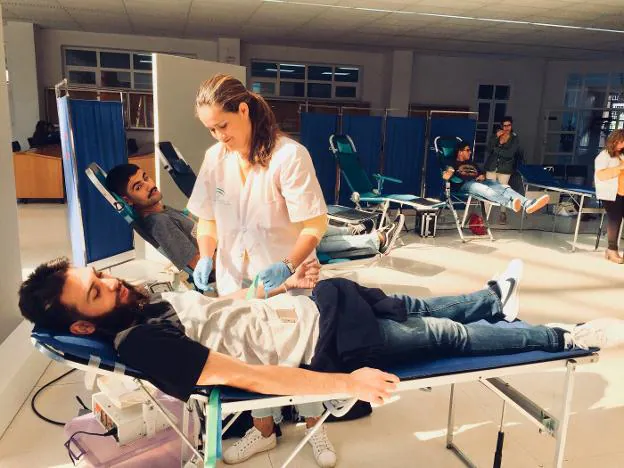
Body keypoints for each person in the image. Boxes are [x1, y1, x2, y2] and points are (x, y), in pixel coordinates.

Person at [19, 258, 624, 465]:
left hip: (311, 313)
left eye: (98, 274)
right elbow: (249, 376)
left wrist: (282, 292)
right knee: (445, 336)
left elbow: (213, 310)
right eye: (97, 292)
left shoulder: (143, 308)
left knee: (405, 301)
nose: (112, 285)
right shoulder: (142, 344)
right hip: (324, 347)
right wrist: (346, 383)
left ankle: (493, 298)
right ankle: (565, 336)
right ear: (81, 324)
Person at [104, 163, 405, 270]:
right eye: (139, 186)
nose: (150, 185)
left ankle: (357, 233)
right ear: (129, 199)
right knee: (298, 245)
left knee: (290, 224)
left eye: (145, 177)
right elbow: (197, 262)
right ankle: (372, 240)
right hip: (234, 255)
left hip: (234, 238)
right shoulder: (158, 222)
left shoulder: (162, 209)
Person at [443, 142, 549, 216]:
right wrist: (449, 172)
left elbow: (481, 173)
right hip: (465, 185)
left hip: (480, 181)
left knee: (503, 187)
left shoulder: (471, 163)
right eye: (467, 150)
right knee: (487, 190)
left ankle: (527, 204)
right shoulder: (451, 162)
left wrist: (482, 176)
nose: (470, 152)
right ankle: (509, 203)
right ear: (460, 152)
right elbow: (446, 175)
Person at [484, 116, 525, 224]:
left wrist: (496, 148)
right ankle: (485, 215)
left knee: (503, 190)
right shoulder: (497, 135)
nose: (507, 128)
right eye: (505, 125)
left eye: (509, 125)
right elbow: (488, 149)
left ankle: (503, 213)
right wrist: (495, 138)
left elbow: (509, 154)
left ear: (511, 126)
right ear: (501, 126)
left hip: (505, 169)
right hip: (492, 167)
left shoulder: (514, 138)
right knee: (488, 190)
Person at [594, 129, 624, 264]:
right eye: (621, 142)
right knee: (614, 221)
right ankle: (611, 250)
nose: (622, 145)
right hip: (611, 194)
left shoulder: (622, 155)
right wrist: (620, 168)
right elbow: (601, 175)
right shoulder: (604, 156)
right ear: (614, 141)